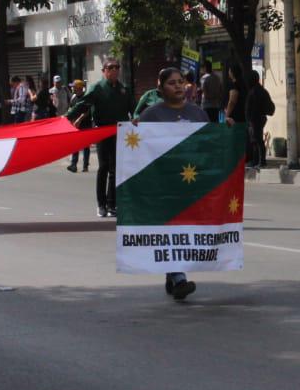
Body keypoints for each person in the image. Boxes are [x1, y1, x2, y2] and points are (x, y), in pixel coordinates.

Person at [131, 66, 236, 301]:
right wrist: (133, 131)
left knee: (186, 229)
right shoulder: (151, 115)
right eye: (171, 83)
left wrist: (226, 129)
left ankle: (173, 275)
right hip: (164, 182)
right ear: (160, 88)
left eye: (180, 82)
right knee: (171, 229)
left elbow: (208, 142)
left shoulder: (197, 113)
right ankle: (179, 278)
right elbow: (138, 146)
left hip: (191, 182)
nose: (178, 86)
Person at [67, 57, 133, 217]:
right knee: (103, 167)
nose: (114, 70)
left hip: (119, 132)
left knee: (115, 169)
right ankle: (101, 204)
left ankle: (112, 204)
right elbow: (83, 104)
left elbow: (134, 108)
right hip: (102, 132)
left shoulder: (123, 89)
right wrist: (67, 117)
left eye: (117, 67)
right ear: (104, 71)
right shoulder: (97, 88)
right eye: (110, 67)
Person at [244, 69, 274, 169]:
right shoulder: (262, 90)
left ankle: (261, 161)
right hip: (259, 118)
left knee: (257, 140)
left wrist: (249, 119)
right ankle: (257, 160)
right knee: (256, 140)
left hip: (255, 118)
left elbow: (251, 107)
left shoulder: (254, 91)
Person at [67, 79, 90, 172]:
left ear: (79, 88)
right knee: (75, 144)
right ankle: (73, 164)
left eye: (73, 87)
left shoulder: (86, 97)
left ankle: (85, 166)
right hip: (75, 124)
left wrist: (79, 120)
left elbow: (87, 111)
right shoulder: (73, 97)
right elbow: (70, 109)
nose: (72, 88)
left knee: (85, 145)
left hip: (85, 124)